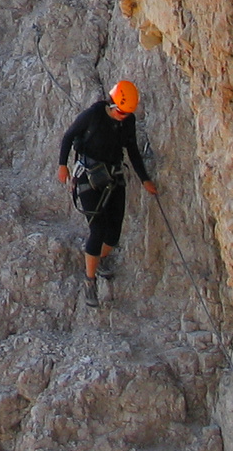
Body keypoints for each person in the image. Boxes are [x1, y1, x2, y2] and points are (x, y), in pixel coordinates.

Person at [58, 79, 157, 305]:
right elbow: (69, 135)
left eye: (126, 114)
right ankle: (89, 281)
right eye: (120, 112)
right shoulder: (93, 115)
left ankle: (98, 259)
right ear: (112, 105)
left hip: (113, 177)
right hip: (89, 178)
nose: (123, 117)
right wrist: (62, 165)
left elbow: (132, 150)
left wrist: (145, 180)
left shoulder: (127, 121)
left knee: (113, 233)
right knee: (98, 229)